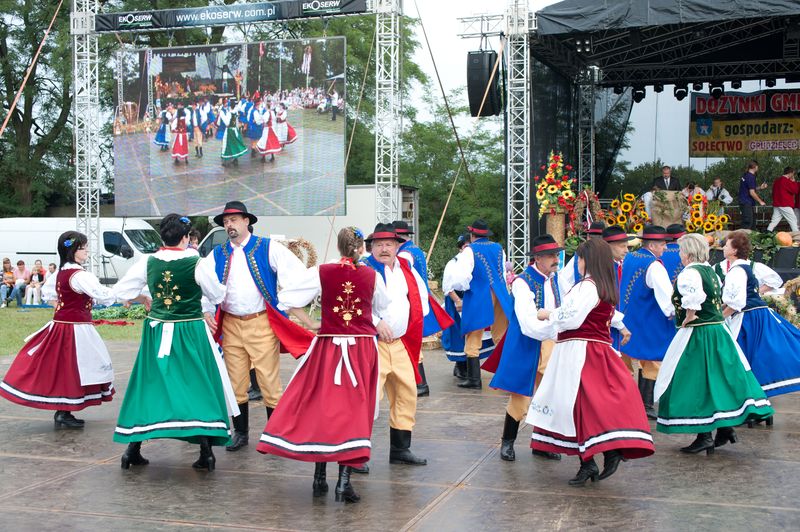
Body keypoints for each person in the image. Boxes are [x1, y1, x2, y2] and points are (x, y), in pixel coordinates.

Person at [257, 227, 388, 503]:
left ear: (340, 248)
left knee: (323, 408)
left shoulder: (322, 271)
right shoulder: (373, 275)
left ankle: (319, 479)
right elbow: (382, 306)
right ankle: (343, 483)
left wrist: (311, 323)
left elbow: (287, 299)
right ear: (361, 248)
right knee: (353, 412)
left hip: (327, 347)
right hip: (361, 349)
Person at [113, 214, 235, 471]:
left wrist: (145, 299)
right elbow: (216, 294)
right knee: (197, 384)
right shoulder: (196, 262)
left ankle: (132, 449)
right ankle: (205, 452)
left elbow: (121, 292)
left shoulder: (148, 262)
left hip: (157, 332)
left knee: (149, 385)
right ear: (185, 238)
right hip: (189, 330)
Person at [528, 239, 653, 486]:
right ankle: (592, 459)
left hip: (580, 352)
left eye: (580, 257)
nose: (578, 262)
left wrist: (547, 314)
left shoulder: (587, 286)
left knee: (578, 404)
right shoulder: (602, 285)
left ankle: (600, 455)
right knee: (583, 406)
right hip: (589, 350)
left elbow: (570, 318)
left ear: (587, 259)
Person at [200, 201, 314, 453]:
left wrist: (288, 303)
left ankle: (275, 435)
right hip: (230, 323)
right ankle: (240, 433)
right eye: (226, 221)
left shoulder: (268, 247)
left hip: (261, 322)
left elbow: (296, 276)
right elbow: (205, 282)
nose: (229, 225)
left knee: (268, 380)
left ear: (246, 221)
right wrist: (207, 308)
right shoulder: (217, 254)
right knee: (235, 382)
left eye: (234, 220)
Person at [654, 233, 774, 454]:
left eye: (681, 251)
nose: (680, 255)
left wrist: (688, 316)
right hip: (718, 331)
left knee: (695, 381)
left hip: (699, 334)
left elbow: (694, 300)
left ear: (688, 253)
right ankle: (725, 427)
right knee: (716, 380)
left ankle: (704, 436)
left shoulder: (689, 273)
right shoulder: (710, 270)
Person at [0, 231, 116, 427]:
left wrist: (64, 306)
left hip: (66, 326)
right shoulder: (79, 275)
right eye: (83, 247)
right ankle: (64, 412)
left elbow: (48, 293)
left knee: (66, 368)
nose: (87, 250)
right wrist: (131, 294)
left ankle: (64, 411)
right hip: (74, 329)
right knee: (71, 367)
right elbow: (103, 295)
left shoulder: (62, 272)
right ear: (72, 251)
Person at [482, 234, 563, 462]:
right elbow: (528, 323)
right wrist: (555, 330)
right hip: (527, 342)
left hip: (550, 343)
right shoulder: (522, 282)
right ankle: (507, 442)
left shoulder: (554, 279)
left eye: (556, 255)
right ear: (537, 258)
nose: (555, 259)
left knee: (548, 396)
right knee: (521, 396)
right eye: (550, 256)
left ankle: (542, 443)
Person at [362, 223, 430, 466]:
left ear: (397, 246)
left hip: (400, 343)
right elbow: (355, 303)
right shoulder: (363, 268)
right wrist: (376, 321)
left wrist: (412, 322)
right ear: (371, 247)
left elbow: (420, 296)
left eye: (388, 244)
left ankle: (400, 450)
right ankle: (357, 453)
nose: (383, 249)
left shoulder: (405, 267)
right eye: (378, 244)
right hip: (373, 344)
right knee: (368, 397)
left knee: (406, 393)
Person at [721, 230, 800, 405]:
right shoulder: (740, 267)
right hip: (753, 316)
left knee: (741, 357)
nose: (723, 247)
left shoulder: (737, 270)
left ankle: (749, 400)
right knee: (751, 358)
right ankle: (751, 399)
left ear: (734, 250)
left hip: (749, 318)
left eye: (726, 245)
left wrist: (719, 319)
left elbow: (737, 303)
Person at [619, 225, 676, 420]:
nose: (665, 248)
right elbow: (666, 296)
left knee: (624, 358)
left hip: (626, 316)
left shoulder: (630, 257)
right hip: (647, 318)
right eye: (662, 244)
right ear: (652, 245)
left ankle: (623, 402)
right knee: (651, 358)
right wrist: (673, 313)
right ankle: (645, 403)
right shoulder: (654, 265)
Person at [448, 220, 513, 389]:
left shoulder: (469, 250)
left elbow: (461, 279)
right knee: (501, 333)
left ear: (472, 235)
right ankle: (506, 376)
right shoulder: (499, 248)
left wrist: (467, 289)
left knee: (473, 332)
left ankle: (474, 379)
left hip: (480, 293)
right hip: (501, 293)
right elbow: (503, 272)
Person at [394, 220, 454, 397]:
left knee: (413, 342)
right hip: (419, 299)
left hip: (412, 301)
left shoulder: (404, 255)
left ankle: (420, 384)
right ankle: (416, 383)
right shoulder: (415, 250)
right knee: (412, 342)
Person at [441, 235, 494, 379]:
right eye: (465, 246)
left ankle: (470, 369)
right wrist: (458, 301)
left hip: (473, 300)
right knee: (459, 334)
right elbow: (447, 285)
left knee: (474, 333)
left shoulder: (474, 261)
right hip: (457, 301)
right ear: (460, 248)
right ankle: (460, 366)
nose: (468, 249)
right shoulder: (453, 263)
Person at [558, 221, 605, 294]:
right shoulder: (579, 257)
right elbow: (563, 281)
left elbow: (563, 281)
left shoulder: (578, 258)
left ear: (588, 237)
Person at [767, 166, 799, 232]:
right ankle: (797, 237)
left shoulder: (777, 180)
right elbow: (795, 190)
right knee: (793, 220)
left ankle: (767, 233)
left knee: (774, 221)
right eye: (793, 174)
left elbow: (773, 192)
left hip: (777, 204)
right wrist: (793, 182)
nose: (793, 176)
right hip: (785, 204)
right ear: (790, 173)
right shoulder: (786, 181)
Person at [738, 160, 767, 230]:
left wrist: (760, 187)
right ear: (754, 167)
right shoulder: (751, 177)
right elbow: (752, 192)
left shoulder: (746, 175)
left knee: (752, 223)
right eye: (757, 166)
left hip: (745, 202)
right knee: (748, 223)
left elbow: (750, 189)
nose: (758, 168)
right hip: (746, 202)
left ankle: (749, 239)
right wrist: (761, 201)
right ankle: (741, 239)